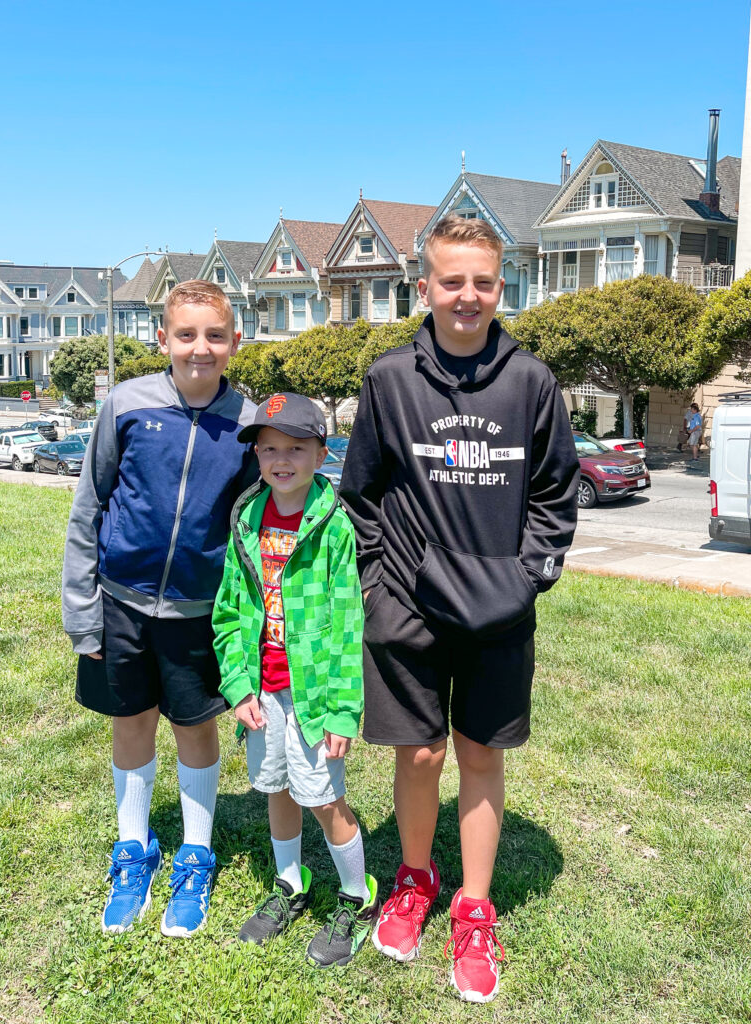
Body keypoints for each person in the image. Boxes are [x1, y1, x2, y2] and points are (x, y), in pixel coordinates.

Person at [339, 215, 579, 1003]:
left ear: (499, 287)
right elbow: (361, 495)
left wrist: (523, 582)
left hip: (499, 615)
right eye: (452, 281)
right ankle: (415, 879)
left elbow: (554, 496)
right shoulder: (388, 379)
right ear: (425, 287)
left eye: (482, 281)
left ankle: (474, 906)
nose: (467, 296)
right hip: (406, 607)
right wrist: (381, 581)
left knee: (480, 755)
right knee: (418, 756)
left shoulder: (531, 382)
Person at [62, 280, 257, 938]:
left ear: (235, 340)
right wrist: (82, 609)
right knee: (131, 719)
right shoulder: (125, 404)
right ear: (162, 338)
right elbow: (89, 508)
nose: (199, 348)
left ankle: (196, 853)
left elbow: (253, 530)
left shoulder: (248, 423)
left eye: (214, 335)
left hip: (199, 612)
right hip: (118, 602)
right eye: (185, 334)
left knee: (194, 727)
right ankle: (134, 847)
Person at [212, 393, 380, 968]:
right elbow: (230, 610)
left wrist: (340, 710)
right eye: (269, 449)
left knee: (324, 797)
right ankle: (291, 881)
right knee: (275, 787)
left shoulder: (332, 528)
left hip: (312, 695)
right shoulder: (246, 519)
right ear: (257, 455)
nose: (281, 460)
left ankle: (358, 898)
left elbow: (345, 625)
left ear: (321, 452)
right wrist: (237, 684)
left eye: (295, 448)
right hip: (261, 690)